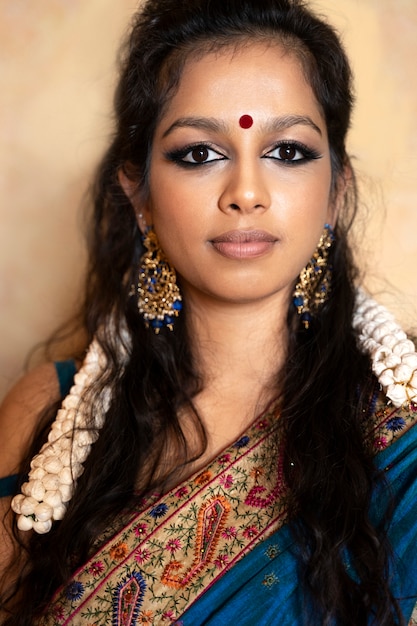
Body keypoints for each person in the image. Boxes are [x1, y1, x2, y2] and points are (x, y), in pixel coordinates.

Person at [1, 0, 417, 623]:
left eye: (287, 151)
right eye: (199, 154)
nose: (246, 193)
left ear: (336, 188)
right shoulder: (51, 421)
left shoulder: (403, 425)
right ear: (137, 193)